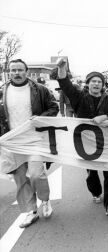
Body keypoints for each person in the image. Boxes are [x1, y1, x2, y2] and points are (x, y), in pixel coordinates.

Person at [56, 59, 108, 216]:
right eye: (93, 81)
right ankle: (95, 192)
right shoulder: (79, 97)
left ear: (103, 84)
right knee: (92, 172)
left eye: (99, 81)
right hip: (86, 143)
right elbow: (66, 85)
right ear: (88, 83)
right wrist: (61, 68)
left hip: (107, 143)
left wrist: (105, 117)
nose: (96, 84)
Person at [0, 59, 58, 228]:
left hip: (34, 140)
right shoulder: (2, 91)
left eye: (20, 70)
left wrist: (40, 118)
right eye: (13, 70)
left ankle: (45, 200)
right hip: (12, 141)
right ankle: (31, 211)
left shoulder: (39, 90)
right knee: (20, 178)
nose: (16, 73)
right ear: (8, 72)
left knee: (36, 174)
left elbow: (53, 108)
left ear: (26, 71)